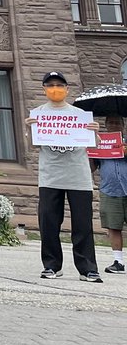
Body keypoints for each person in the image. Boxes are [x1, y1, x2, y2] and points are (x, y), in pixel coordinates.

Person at [27, 71, 101, 282]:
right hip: (51, 176)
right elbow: (33, 145)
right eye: (50, 85)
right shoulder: (37, 114)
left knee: (82, 224)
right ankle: (51, 265)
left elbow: (93, 145)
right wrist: (29, 129)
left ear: (67, 89)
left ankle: (87, 268)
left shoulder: (79, 114)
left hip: (78, 176)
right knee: (49, 222)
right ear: (44, 89)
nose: (55, 88)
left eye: (59, 85)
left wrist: (94, 131)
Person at [97, 117, 127, 274]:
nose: (114, 125)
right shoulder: (99, 143)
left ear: (123, 125)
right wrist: (89, 152)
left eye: (117, 122)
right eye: (111, 122)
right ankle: (118, 261)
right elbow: (92, 167)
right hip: (110, 190)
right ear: (106, 125)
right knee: (113, 227)